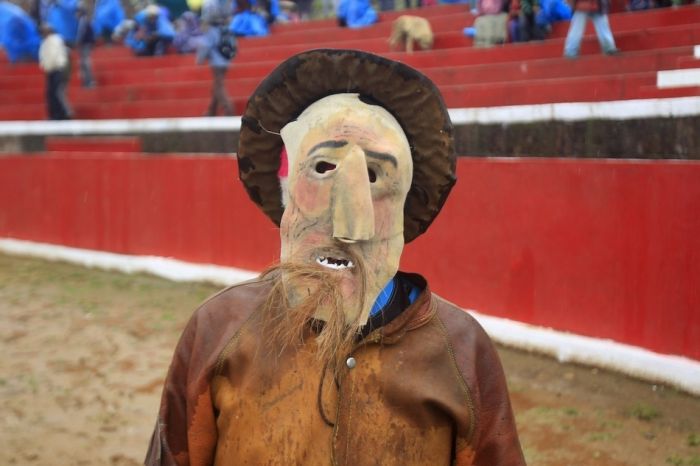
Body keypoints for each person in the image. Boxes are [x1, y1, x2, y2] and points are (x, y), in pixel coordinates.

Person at [145, 49, 525, 466]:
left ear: (402, 210)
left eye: (376, 176)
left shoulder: (461, 350)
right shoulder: (219, 329)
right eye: (324, 167)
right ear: (285, 195)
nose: (351, 226)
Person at [196, 15, 235, 116]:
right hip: (226, 60)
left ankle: (228, 109)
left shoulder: (211, 30)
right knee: (217, 85)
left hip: (217, 61)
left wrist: (200, 59)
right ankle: (212, 111)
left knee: (219, 87)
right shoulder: (225, 28)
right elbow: (234, 43)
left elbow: (206, 45)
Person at [38, 23, 72, 120]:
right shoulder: (44, 42)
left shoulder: (56, 40)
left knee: (58, 92)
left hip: (58, 69)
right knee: (50, 93)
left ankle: (64, 113)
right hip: (50, 70)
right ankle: (53, 114)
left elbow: (56, 56)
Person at [75, 2, 96, 87]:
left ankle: (89, 81)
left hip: (85, 44)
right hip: (87, 43)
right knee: (84, 62)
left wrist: (77, 42)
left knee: (85, 62)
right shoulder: (85, 20)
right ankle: (87, 81)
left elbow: (81, 33)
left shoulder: (83, 21)